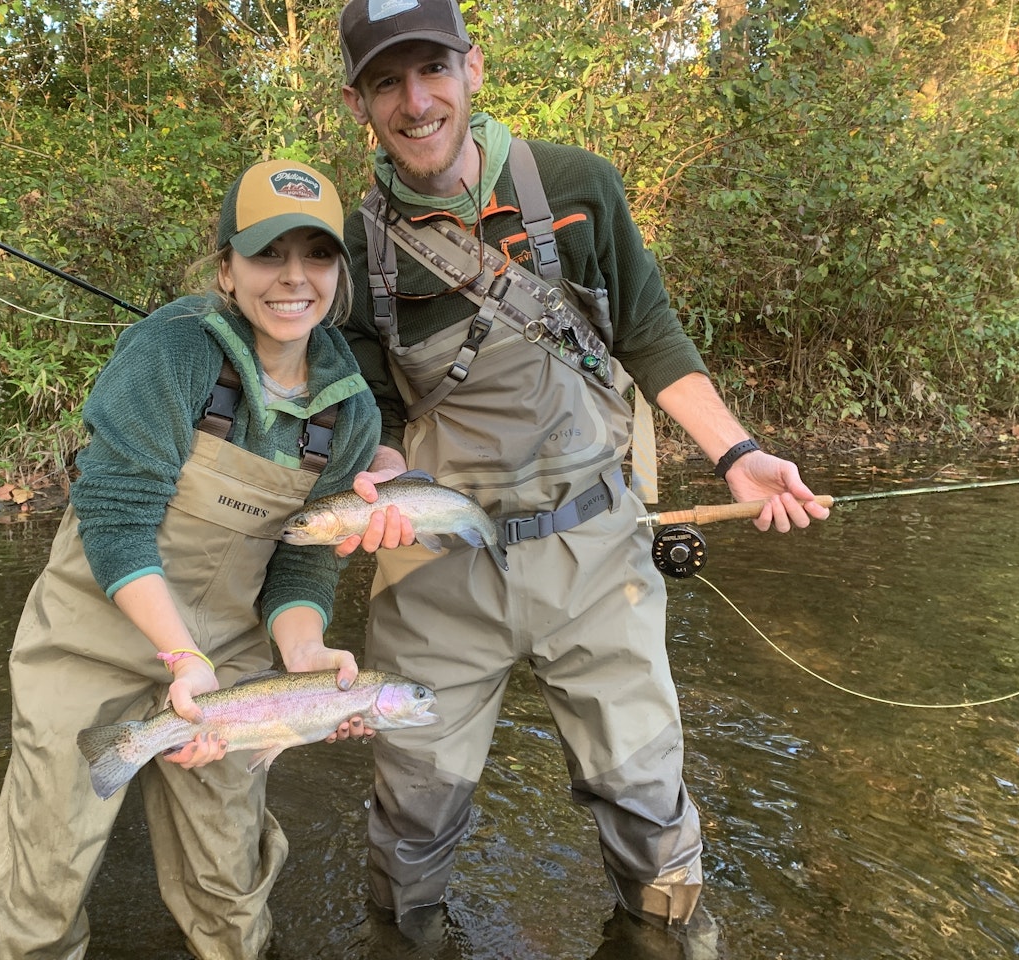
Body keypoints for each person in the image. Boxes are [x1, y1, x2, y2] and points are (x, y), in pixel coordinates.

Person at [329, 0, 831, 950]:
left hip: (599, 550)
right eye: (388, 81)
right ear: (360, 101)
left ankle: (665, 936)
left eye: (432, 69)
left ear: (473, 70)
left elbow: (650, 338)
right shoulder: (352, 250)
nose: (416, 100)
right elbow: (376, 409)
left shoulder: (577, 186)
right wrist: (383, 477)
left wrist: (737, 455)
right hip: (437, 569)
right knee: (412, 824)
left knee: (650, 812)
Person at [0, 158, 382, 960]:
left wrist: (302, 655)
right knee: (40, 884)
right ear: (226, 268)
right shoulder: (172, 354)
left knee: (229, 885)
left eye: (317, 255)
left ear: (341, 271)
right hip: (89, 639)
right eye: (269, 254)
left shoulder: (351, 409)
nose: (294, 279)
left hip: (226, 658)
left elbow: (302, 563)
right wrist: (178, 656)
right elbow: (116, 519)